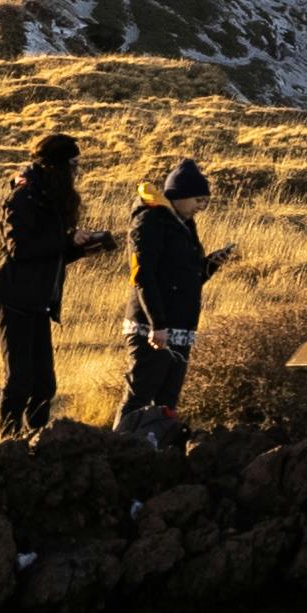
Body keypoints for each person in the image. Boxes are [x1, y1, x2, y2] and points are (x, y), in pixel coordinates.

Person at [0, 133, 115, 434]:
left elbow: (48, 253)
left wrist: (83, 248)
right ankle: (5, 442)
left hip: (37, 302)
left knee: (44, 384)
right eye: (73, 165)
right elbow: (19, 248)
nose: (77, 172)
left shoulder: (49, 198)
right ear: (56, 166)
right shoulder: (22, 197)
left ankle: (36, 441)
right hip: (12, 298)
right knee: (19, 380)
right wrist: (65, 240)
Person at [120, 157, 221, 448]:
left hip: (179, 330)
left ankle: (156, 452)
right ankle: (120, 448)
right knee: (138, 397)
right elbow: (144, 277)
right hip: (153, 330)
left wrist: (210, 265)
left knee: (166, 403)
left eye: (206, 200)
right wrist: (157, 325)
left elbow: (185, 279)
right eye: (199, 198)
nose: (203, 205)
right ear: (179, 195)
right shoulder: (150, 220)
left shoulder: (185, 224)